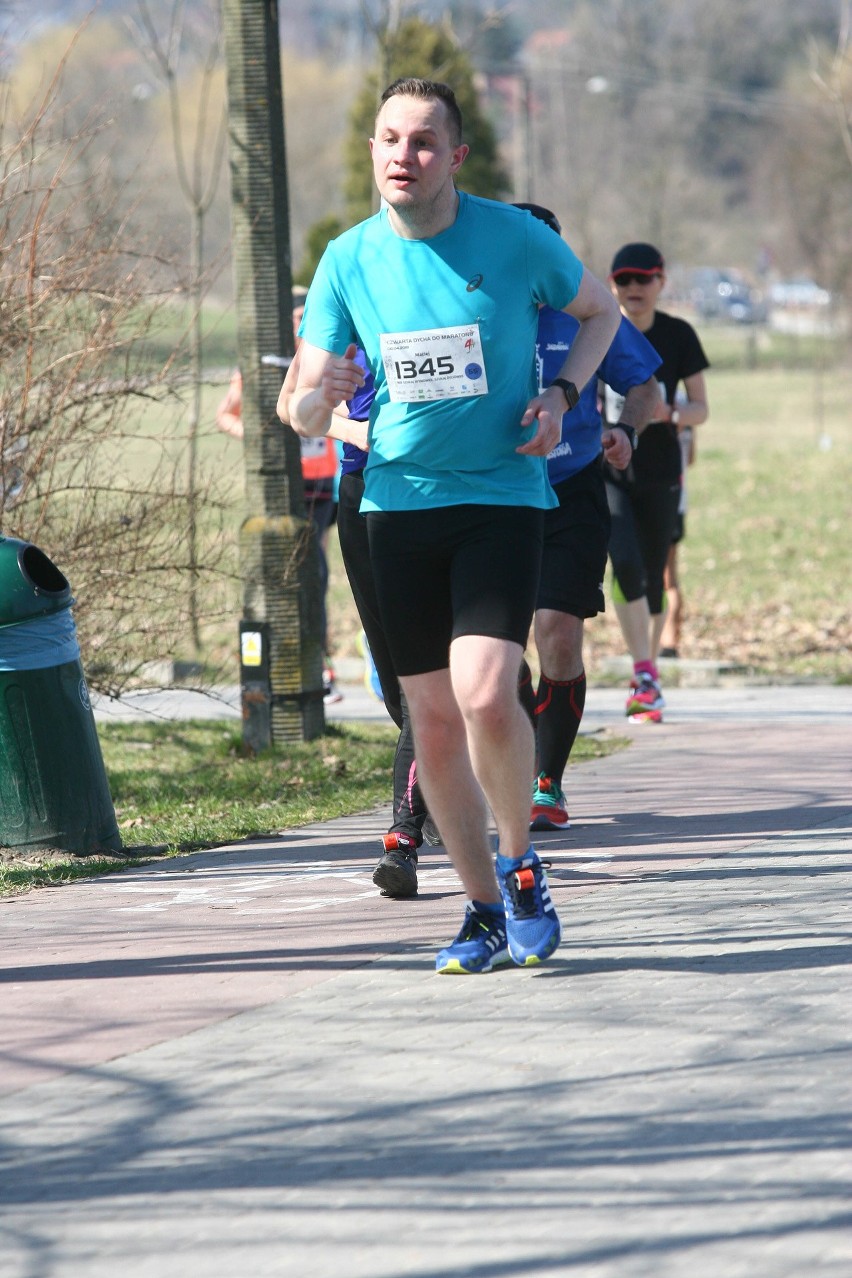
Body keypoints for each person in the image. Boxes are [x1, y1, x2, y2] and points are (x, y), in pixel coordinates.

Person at [289, 77, 620, 974]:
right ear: (372, 151)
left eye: (424, 142)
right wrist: (323, 397)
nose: (405, 156)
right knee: (431, 720)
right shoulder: (347, 260)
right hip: (397, 507)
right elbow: (298, 410)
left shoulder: (514, 239)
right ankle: (478, 912)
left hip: (502, 499)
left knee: (483, 693)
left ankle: (520, 868)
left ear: (457, 157)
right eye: (389, 139)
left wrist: (560, 394)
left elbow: (601, 311)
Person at [510, 205, 662, 831]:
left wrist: (627, 427)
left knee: (559, 634)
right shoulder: (482, 308)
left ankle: (546, 779)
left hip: (572, 489)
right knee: (493, 656)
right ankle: (511, 750)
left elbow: (647, 385)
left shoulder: (587, 309)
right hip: (496, 494)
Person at [279, 346, 440, 900]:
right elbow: (290, 407)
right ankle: (437, 785)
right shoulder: (335, 322)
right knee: (396, 678)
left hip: (435, 497)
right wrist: (357, 430)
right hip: (361, 498)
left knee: (428, 681)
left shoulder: (435, 300)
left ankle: (403, 837)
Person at [217, 287, 343, 704]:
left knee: (318, 573)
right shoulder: (267, 364)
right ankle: (295, 661)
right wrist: (260, 439)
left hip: (323, 483)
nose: (302, 323)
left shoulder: (328, 354)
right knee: (294, 569)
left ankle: (321, 663)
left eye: (309, 314)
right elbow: (226, 415)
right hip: (283, 485)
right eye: (296, 316)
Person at [603, 243, 709, 722]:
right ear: (611, 285)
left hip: (663, 469)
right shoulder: (598, 328)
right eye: (623, 280)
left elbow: (701, 408)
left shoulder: (678, 335)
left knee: (653, 573)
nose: (633, 289)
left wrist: (670, 412)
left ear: (661, 281)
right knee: (623, 563)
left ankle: (647, 674)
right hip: (609, 472)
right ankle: (644, 669)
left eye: (642, 279)